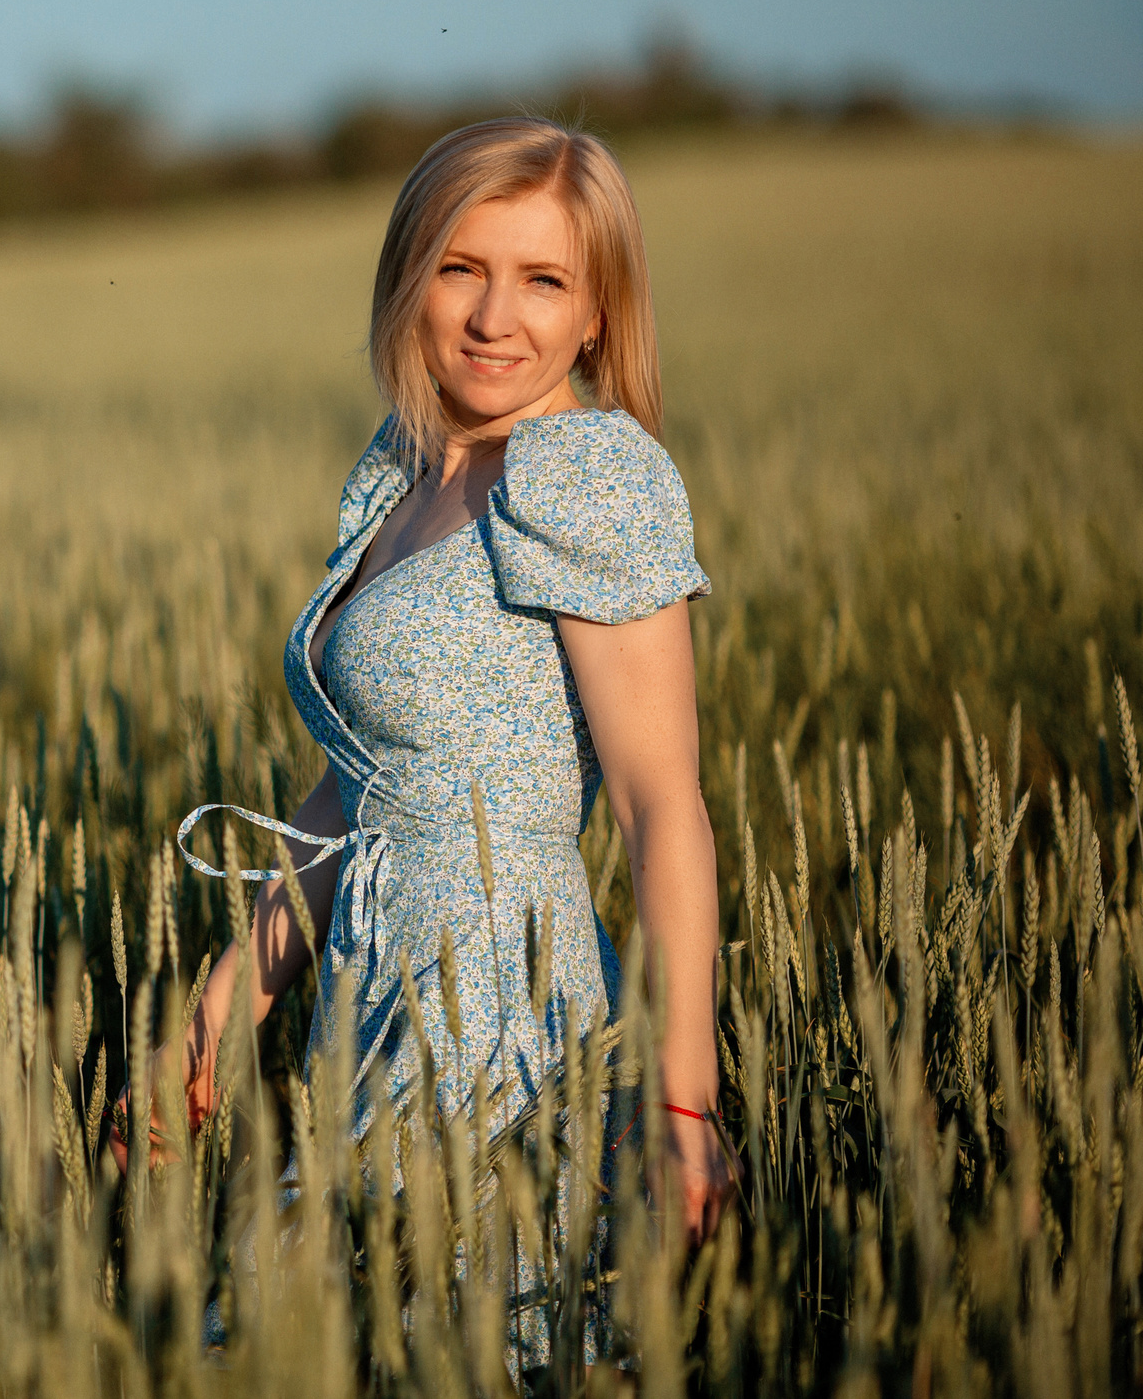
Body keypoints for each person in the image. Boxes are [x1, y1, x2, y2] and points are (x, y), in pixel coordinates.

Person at [112, 116, 738, 1266]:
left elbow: (663, 807)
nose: (495, 317)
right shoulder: (405, 467)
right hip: (370, 990)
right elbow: (354, 795)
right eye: (462, 268)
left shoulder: (587, 476)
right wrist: (206, 1031)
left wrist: (681, 1107)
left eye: (544, 281)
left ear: (598, 312)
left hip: (502, 1006)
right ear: (409, 277)